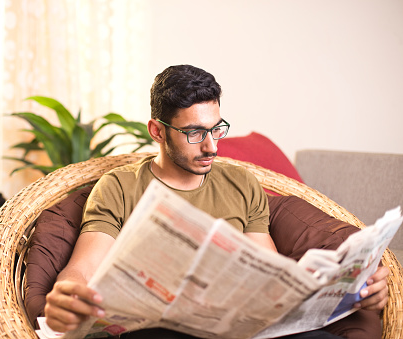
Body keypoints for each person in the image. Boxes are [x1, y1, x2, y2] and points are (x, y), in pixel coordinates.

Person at [44, 65, 389, 338]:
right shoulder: (119, 186)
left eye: (216, 128)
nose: (211, 146)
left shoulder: (241, 183)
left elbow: (270, 271)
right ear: (157, 131)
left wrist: (356, 289)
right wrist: (68, 295)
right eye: (194, 133)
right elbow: (83, 267)